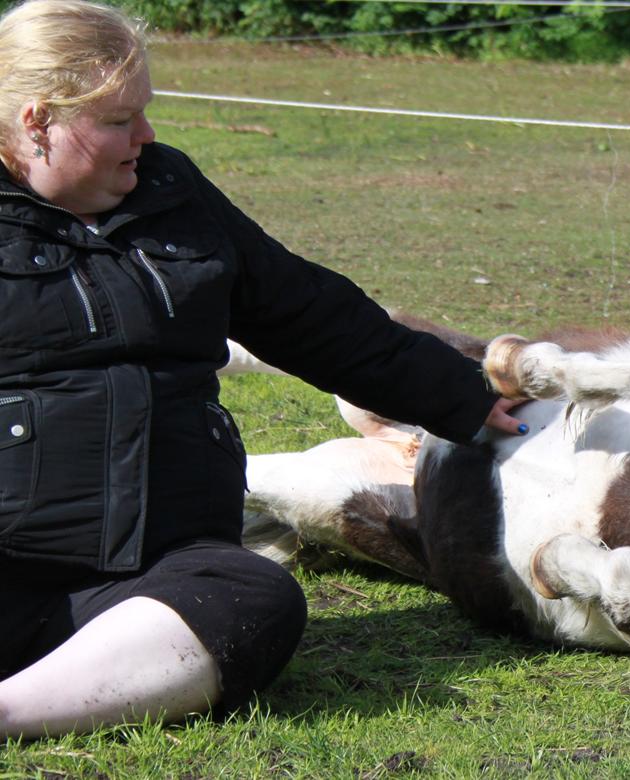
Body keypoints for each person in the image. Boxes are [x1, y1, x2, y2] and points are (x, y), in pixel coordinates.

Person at [0, 0, 525, 739]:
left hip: (159, 574)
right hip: (11, 563)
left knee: (255, 597)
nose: (144, 137)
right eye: (120, 120)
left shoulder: (173, 193)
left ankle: (11, 713)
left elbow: (305, 312)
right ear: (36, 120)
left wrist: (462, 397)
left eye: (143, 113)